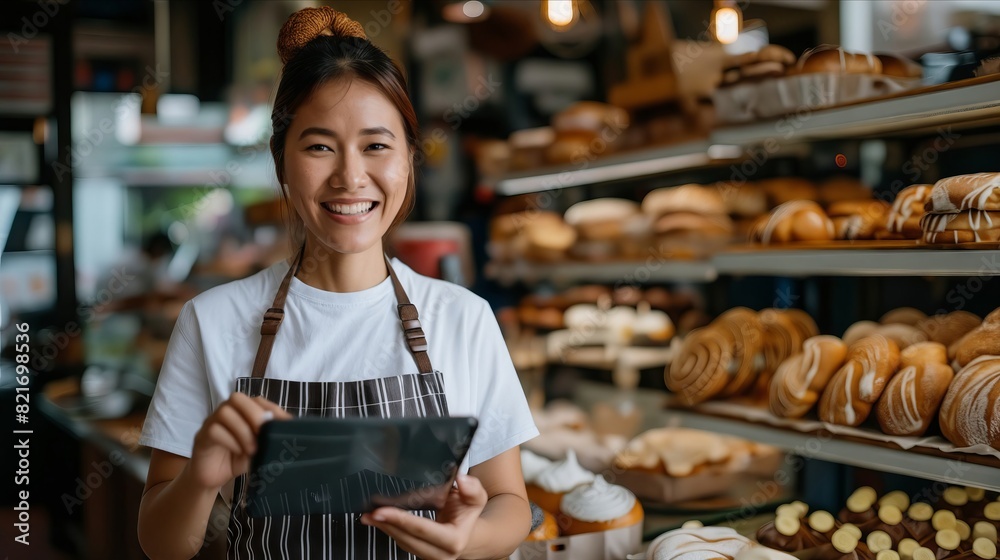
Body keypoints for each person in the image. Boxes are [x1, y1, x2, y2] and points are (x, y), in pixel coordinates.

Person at [136, 7, 538, 559]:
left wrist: (471, 539)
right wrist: (202, 478)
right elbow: (160, 544)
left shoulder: (464, 318)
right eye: (319, 146)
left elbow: (510, 501)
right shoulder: (212, 321)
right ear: (282, 161)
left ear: (408, 162)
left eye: (377, 146)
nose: (351, 177)